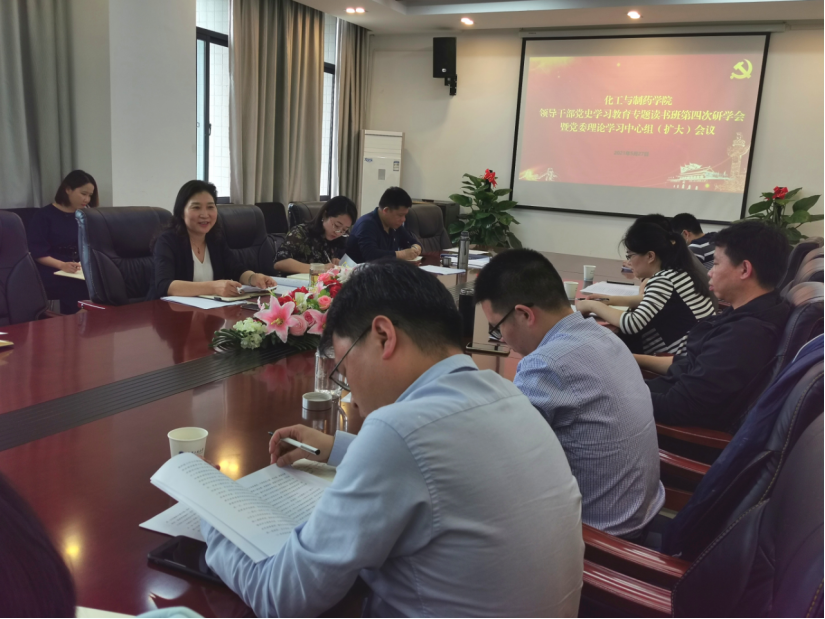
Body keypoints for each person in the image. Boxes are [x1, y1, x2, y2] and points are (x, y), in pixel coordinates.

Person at [201, 260, 583, 618]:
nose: (352, 394)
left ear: (383, 336)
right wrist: (336, 448)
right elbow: (439, 470)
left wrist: (211, 513)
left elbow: (281, 595)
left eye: (345, 367)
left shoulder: (398, 430)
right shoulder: (507, 394)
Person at [475, 249, 665, 540]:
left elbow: (503, 464)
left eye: (496, 328)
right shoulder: (603, 335)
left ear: (524, 314)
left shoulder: (546, 364)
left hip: (599, 538)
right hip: (641, 513)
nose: (500, 339)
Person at [637, 221, 791, 431]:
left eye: (716, 264)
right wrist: (631, 359)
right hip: (662, 395)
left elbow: (675, 407)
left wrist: (615, 393)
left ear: (744, 269)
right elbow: (693, 364)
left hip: (662, 427)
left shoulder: (744, 335)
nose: (710, 272)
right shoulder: (755, 309)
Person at [577, 220, 715, 355]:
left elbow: (632, 324)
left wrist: (592, 306)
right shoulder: (678, 271)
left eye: (630, 256)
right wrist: (610, 300)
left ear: (650, 256)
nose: (629, 262)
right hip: (700, 350)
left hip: (680, 359)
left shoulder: (664, 280)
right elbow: (651, 299)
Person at [147, 180, 275, 300]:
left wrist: (253, 278)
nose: (205, 215)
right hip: (168, 311)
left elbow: (236, 269)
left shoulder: (215, 238)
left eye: (210, 207)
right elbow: (164, 285)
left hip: (208, 311)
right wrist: (214, 287)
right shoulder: (167, 241)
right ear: (181, 212)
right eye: (196, 207)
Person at [27, 170, 98, 314]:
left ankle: (90, 320)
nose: (87, 199)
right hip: (51, 267)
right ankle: (77, 321)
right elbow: (37, 252)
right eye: (83, 194)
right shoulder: (43, 216)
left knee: (103, 281)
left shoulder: (86, 216)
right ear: (68, 189)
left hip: (78, 267)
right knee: (76, 286)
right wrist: (62, 265)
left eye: (90, 195)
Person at [274, 196, 357, 274]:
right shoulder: (300, 232)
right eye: (337, 226)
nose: (338, 233)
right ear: (325, 215)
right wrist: (319, 268)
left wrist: (337, 264)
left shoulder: (339, 240)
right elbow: (279, 263)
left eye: (344, 230)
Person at [345, 187, 422, 263]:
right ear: (386, 210)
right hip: (358, 269)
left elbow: (413, 242)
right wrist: (402, 254)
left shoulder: (394, 225)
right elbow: (371, 255)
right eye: (400, 215)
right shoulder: (366, 224)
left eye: (405, 215)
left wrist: (416, 248)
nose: (403, 219)